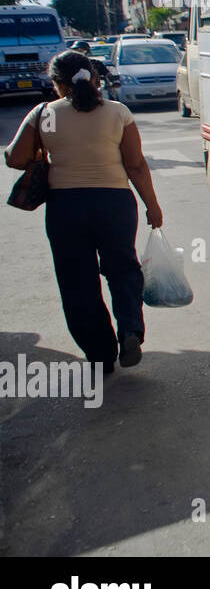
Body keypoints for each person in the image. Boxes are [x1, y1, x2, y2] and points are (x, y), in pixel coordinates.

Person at [4, 50, 165, 373]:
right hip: (115, 204)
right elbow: (135, 164)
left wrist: (41, 144)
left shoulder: (44, 113)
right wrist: (152, 205)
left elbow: (14, 158)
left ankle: (100, 353)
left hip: (66, 208)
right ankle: (130, 330)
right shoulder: (118, 112)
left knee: (77, 281)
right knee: (123, 268)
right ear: (93, 78)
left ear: (57, 84)